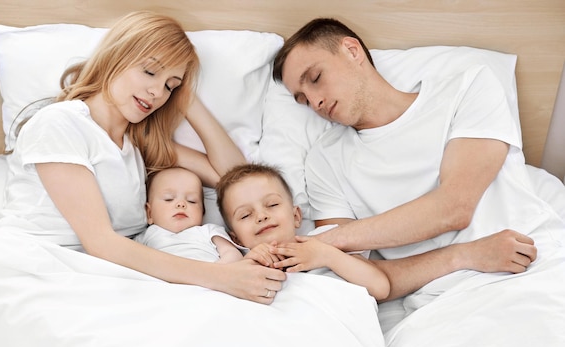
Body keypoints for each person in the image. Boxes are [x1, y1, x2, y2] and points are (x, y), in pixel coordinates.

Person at [0, 11, 285, 305]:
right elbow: (101, 243)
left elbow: (236, 178)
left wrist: (186, 99)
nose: (157, 92)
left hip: (96, 277)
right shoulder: (60, 123)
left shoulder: (137, 144)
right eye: (149, 71)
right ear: (116, 57)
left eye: (170, 85)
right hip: (36, 268)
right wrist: (222, 277)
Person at [272, 17, 564, 301]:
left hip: (531, 267)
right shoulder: (325, 161)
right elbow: (363, 278)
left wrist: (325, 241)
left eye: (315, 78)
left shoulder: (466, 89)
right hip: (439, 301)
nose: (315, 102)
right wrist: (464, 256)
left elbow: (454, 207)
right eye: (302, 99)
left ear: (352, 50)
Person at [216, 163, 391, 300]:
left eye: (272, 205)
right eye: (246, 215)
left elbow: (380, 288)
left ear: (296, 216)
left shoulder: (324, 243)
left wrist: (327, 256)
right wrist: (250, 263)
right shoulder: (240, 265)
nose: (261, 216)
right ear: (236, 239)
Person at [134, 166, 243, 263]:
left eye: (192, 201)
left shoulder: (209, 232)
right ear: (149, 213)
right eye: (169, 199)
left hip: (207, 281)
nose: (181, 204)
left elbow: (233, 254)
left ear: (202, 213)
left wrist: (216, 272)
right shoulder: (147, 236)